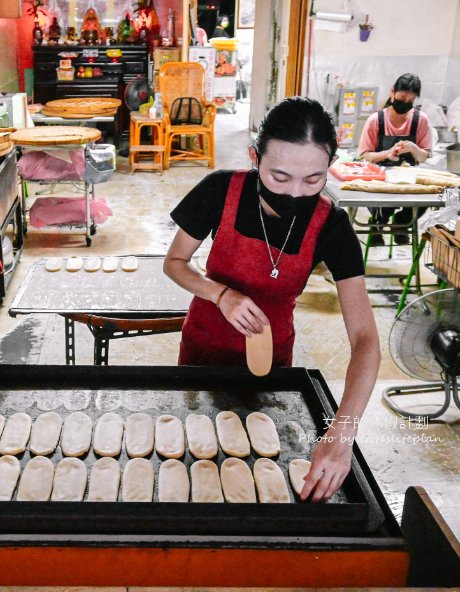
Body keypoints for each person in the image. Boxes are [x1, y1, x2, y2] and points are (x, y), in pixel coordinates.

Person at [164, 97, 381, 503]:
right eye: (279, 177)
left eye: (313, 180)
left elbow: (366, 339)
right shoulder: (219, 191)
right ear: (254, 157)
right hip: (201, 352)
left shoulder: (331, 225)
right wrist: (220, 294)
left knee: (256, 478)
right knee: (195, 467)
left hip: (271, 365)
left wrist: (342, 431)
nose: (295, 193)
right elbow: (175, 263)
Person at [358, 73, 433, 245]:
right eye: (401, 98)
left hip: (409, 176)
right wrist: (387, 154)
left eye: (410, 101)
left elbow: (424, 156)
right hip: (381, 176)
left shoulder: (420, 120)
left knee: (427, 197)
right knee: (386, 200)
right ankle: (377, 224)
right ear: (392, 92)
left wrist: (414, 148)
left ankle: (401, 223)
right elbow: (364, 155)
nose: (405, 104)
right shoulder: (376, 120)